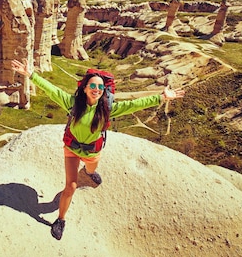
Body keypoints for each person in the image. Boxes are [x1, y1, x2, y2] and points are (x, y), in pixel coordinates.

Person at [11, 59, 185, 240]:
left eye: (100, 87)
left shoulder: (107, 110)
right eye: (92, 85)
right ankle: (61, 220)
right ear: (85, 88)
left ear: (103, 92)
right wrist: (31, 75)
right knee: (70, 186)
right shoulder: (72, 104)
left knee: (90, 170)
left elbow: (134, 104)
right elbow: (52, 90)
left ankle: (88, 172)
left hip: (92, 152)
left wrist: (161, 97)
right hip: (71, 149)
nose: (96, 89)